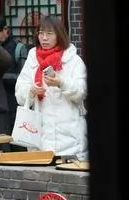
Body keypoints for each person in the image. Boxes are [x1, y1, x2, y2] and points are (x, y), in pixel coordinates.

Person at [11, 15, 88, 160]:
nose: (44, 38)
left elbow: (81, 92)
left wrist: (61, 83)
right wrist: (31, 91)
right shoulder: (32, 58)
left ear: (59, 35)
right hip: (40, 139)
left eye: (49, 33)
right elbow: (20, 91)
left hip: (70, 140)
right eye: (41, 33)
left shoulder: (73, 60)